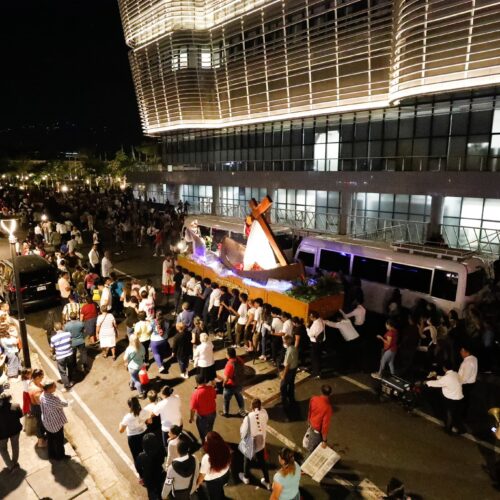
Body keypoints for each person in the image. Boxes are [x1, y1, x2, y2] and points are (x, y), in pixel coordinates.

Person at [238, 398, 271, 490]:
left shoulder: (248, 417)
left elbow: (243, 431)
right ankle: (267, 482)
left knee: (247, 459)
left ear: (252, 407)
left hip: (251, 442)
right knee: (262, 461)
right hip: (261, 441)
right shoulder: (264, 413)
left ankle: (246, 478)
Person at [425, 362, 466, 434]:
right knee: (455, 414)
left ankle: (448, 430)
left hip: (452, 398)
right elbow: (445, 379)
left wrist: (426, 382)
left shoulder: (447, 378)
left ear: (444, 368)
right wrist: (436, 376)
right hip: (459, 397)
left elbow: (438, 383)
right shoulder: (455, 374)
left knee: (449, 414)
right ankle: (460, 429)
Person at [119, 396, 151, 474]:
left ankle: (141, 475)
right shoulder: (145, 411)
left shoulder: (127, 417)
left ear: (129, 406)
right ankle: (150, 469)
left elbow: (121, 430)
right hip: (144, 433)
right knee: (147, 452)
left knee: (136, 456)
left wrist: (120, 424)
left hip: (133, 438)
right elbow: (150, 421)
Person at [197, 431, 231, 499]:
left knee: (214, 496)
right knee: (220, 490)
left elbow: (202, 475)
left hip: (213, 481)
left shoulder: (207, 458)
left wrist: (197, 484)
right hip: (225, 475)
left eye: (206, 440)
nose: (205, 441)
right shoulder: (226, 448)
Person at [40, 379, 69, 460]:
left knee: (50, 440)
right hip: (55, 424)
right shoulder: (53, 400)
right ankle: (60, 456)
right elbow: (65, 404)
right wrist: (60, 396)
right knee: (59, 441)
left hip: (47, 422)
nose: (56, 387)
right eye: (54, 386)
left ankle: (51, 454)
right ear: (49, 389)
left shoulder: (42, 395)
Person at [138, 434, 167, 499]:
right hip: (159, 473)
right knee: (160, 490)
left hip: (148, 478)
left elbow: (139, 468)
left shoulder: (141, 456)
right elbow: (164, 459)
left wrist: (141, 476)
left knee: (151, 493)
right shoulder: (160, 450)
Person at [306, 385, 333, 455]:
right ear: (330, 394)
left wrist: (308, 421)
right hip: (317, 432)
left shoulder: (313, 398)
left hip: (311, 426)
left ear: (321, 391)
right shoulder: (328, 408)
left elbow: (310, 410)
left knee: (311, 447)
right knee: (311, 451)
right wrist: (324, 441)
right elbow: (325, 426)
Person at [220, 347, 246, 418]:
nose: (225, 354)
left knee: (226, 399)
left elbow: (226, 378)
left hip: (230, 385)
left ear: (228, 355)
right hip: (239, 383)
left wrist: (223, 384)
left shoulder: (229, 364)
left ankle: (226, 413)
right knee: (239, 397)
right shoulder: (239, 359)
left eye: (226, 353)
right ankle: (242, 411)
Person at [190, 374, 217, 443]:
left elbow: (193, 409)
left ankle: (204, 442)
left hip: (202, 416)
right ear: (205, 381)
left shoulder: (195, 393)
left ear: (196, 382)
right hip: (212, 413)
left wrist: (191, 418)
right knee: (210, 427)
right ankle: (209, 438)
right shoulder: (211, 388)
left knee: (202, 431)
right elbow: (214, 397)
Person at [0, 392, 23, 472]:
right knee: (15, 446)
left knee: (3, 449)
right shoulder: (16, 406)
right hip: (15, 431)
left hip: (2, 434)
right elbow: (21, 415)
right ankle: (14, 462)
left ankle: (11, 466)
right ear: (10, 398)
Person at [50, 322, 74, 391]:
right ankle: (71, 380)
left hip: (60, 356)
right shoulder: (68, 334)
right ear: (62, 327)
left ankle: (67, 386)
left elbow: (52, 348)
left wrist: (52, 354)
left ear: (55, 329)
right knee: (70, 367)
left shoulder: (53, 338)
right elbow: (70, 342)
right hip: (69, 354)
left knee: (62, 371)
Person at [123, 334, 147, 399]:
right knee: (134, 376)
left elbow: (125, 358)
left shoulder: (129, 349)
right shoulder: (142, 346)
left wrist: (126, 362)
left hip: (132, 367)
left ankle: (141, 394)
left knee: (136, 380)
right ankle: (131, 385)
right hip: (140, 365)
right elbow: (144, 354)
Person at [29, 369, 47, 448]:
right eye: (42, 377)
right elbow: (40, 402)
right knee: (40, 425)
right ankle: (40, 443)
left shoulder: (32, 382)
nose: (43, 378)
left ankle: (42, 439)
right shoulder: (36, 391)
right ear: (37, 377)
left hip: (34, 407)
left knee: (40, 424)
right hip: (38, 408)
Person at [280, 334, 299, 407]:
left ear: (287, 342)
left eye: (284, 341)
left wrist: (283, 375)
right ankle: (291, 398)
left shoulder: (289, 351)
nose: (283, 342)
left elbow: (287, 365)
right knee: (291, 384)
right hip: (294, 369)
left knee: (283, 385)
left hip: (290, 370)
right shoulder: (294, 348)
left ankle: (284, 400)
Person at [306, 311, 325, 378]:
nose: (309, 317)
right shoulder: (320, 320)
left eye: (310, 316)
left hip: (315, 343)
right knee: (317, 357)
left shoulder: (316, 324)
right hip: (319, 342)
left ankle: (316, 373)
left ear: (313, 317)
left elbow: (310, 334)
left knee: (315, 358)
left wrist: (307, 328)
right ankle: (316, 370)